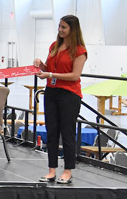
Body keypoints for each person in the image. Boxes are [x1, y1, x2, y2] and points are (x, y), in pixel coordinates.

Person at [34, 15, 87, 185]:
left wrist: (50, 74)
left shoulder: (79, 50)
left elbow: (74, 75)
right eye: (59, 26)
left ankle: (67, 171)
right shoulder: (54, 46)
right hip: (51, 93)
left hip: (69, 95)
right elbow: (49, 69)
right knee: (52, 132)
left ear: (73, 29)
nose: (60, 30)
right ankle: (51, 170)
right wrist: (41, 65)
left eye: (64, 27)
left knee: (67, 133)